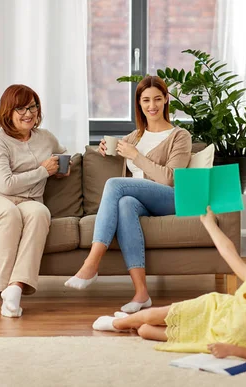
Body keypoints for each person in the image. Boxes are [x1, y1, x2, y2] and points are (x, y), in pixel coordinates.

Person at [92, 206, 246, 362]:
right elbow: (227, 250)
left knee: (146, 330)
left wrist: (231, 350)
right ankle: (118, 323)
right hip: (210, 310)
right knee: (150, 315)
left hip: (208, 334)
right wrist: (208, 222)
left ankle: (132, 321)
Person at [64, 76, 192, 313]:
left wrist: (136, 156)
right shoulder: (135, 136)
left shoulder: (179, 136)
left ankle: (91, 264)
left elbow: (170, 178)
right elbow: (114, 149)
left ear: (166, 100)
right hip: (141, 201)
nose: (151, 106)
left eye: (157, 99)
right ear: (139, 103)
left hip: (169, 197)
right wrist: (103, 148)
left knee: (115, 185)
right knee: (125, 204)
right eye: (145, 100)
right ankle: (141, 293)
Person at [0, 84, 70, 318]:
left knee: (40, 213)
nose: (28, 113)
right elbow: (5, 184)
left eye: (32, 107)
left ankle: (16, 287)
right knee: (9, 214)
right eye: (21, 108)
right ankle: (3, 287)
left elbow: (64, 155)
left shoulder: (46, 138)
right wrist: (44, 171)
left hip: (29, 199)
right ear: (8, 112)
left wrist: (64, 167)